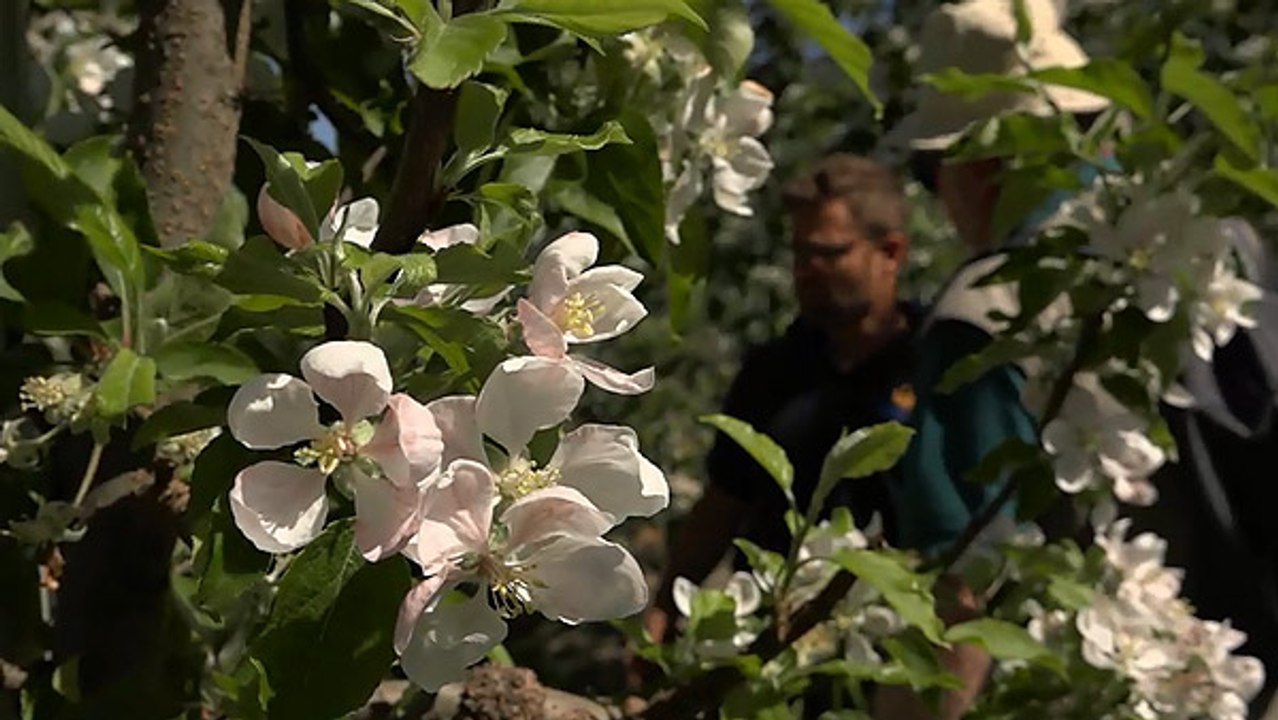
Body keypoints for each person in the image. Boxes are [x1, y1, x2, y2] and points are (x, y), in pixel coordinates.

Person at [875, 1, 1109, 718]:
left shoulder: (984, 312)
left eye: (931, 170)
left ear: (978, 165)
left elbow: (960, 591)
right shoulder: (1201, 260)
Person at [641, 154, 918, 650]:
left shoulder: (934, 365)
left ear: (890, 252)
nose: (807, 271)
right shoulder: (775, 369)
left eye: (829, 254)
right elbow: (725, 499)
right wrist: (665, 604)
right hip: (773, 635)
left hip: (884, 639)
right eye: (798, 255)